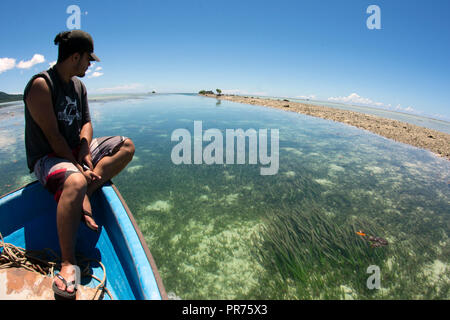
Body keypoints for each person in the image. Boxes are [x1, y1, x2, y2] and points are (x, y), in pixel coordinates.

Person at [23, 30, 135, 298]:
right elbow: (53, 137)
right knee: (75, 179)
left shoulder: (79, 86)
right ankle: (67, 262)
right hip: (48, 156)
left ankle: (87, 191)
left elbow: (86, 122)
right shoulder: (42, 85)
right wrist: (80, 168)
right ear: (75, 57)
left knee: (126, 146)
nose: (89, 65)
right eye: (88, 59)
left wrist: (85, 147)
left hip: (74, 151)